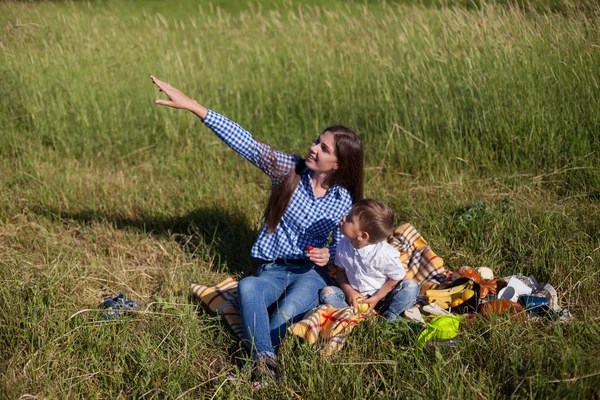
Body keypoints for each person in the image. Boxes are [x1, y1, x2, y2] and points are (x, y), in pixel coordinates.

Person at [150, 76, 364, 382]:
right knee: (248, 286)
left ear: (338, 164)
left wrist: (326, 253)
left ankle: (259, 368)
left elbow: (345, 248)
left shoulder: (344, 200)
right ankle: (265, 363)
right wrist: (195, 107)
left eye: (323, 147)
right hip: (272, 270)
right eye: (317, 140)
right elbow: (248, 144)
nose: (312, 147)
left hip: (309, 274)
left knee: (281, 315)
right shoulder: (287, 169)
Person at [320, 199, 419, 320]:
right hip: (355, 298)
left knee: (411, 286)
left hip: (383, 296)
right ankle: (355, 316)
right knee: (327, 293)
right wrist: (350, 292)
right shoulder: (343, 245)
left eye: (350, 219)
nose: (344, 217)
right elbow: (340, 271)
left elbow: (396, 278)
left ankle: (390, 318)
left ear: (362, 236)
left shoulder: (383, 254)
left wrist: (376, 297)